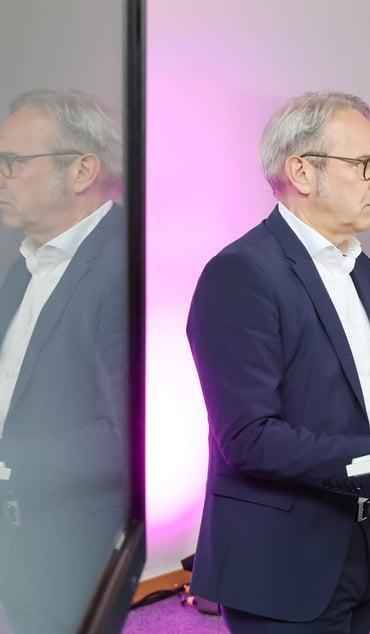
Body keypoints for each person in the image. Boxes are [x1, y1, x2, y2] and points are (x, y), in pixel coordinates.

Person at [186, 91, 370, 633]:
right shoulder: (241, 276)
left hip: (361, 541)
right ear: (302, 173)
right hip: (281, 559)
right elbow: (247, 439)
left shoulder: (360, 268)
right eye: (364, 165)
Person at [0, 89, 128, 632]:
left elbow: (126, 435)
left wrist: (7, 463)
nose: (2, 175)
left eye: (12, 162)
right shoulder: (26, 264)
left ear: (81, 170)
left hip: (76, 546)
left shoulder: (125, 268)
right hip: (21, 530)